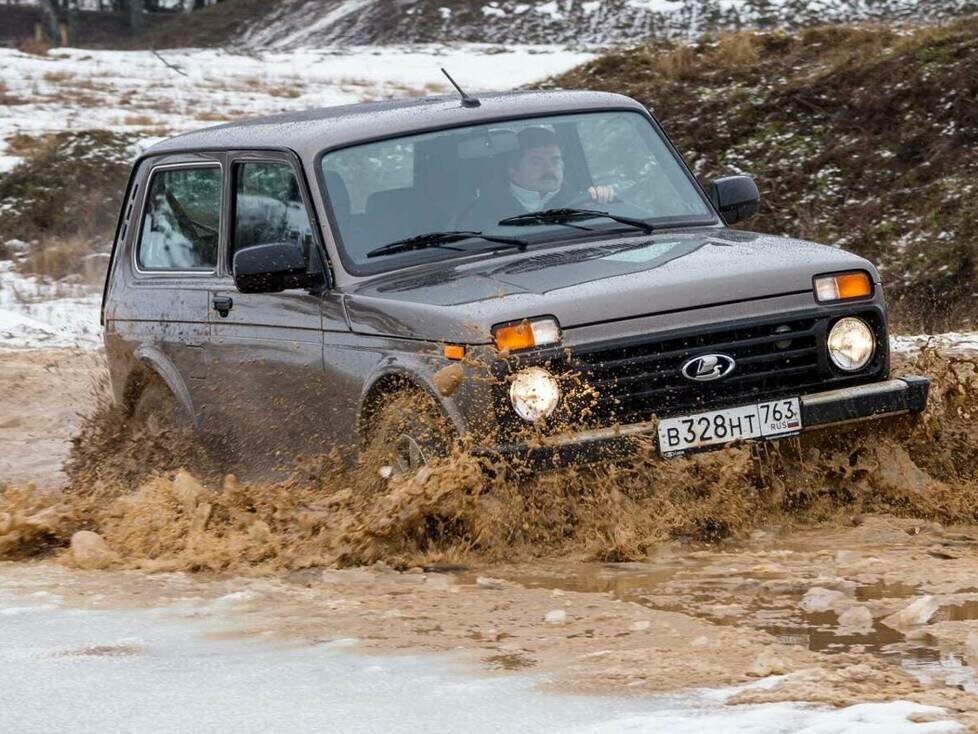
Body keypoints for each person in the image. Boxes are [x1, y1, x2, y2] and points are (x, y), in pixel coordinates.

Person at [458, 126, 615, 229]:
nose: (549, 169)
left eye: (555, 161)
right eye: (536, 162)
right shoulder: (482, 212)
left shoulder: (586, 201)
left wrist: (606, 199)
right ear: (513, 171)